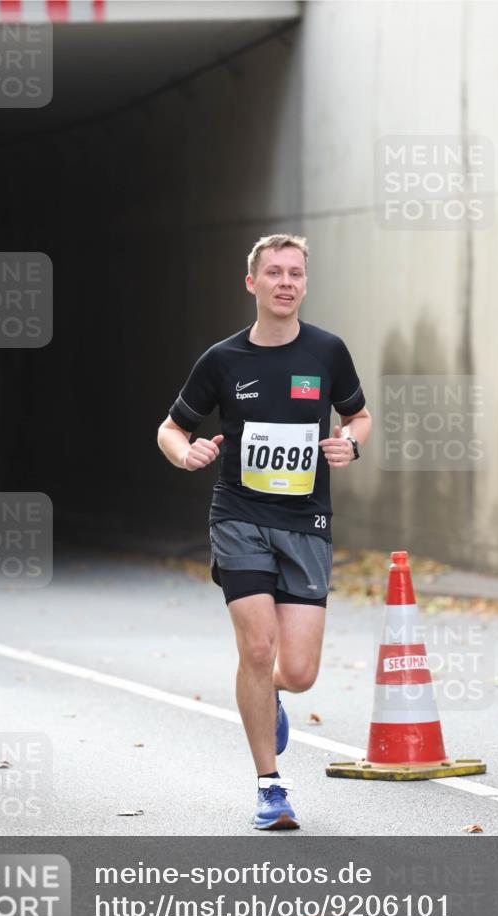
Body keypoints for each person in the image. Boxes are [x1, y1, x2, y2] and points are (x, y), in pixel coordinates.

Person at [157, 234, 372, 830]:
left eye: (295, 273)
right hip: (239, 516)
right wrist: (185, 455)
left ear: (305, 283)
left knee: (298, 671)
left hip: (306, 521)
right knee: (256, 647)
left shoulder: (328, 352)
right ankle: (269, 785)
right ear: (251, 283)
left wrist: (351, 442)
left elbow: (360, 413)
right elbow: (171, 428)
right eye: (273, 272)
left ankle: (270, 690)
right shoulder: (222, 360)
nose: (285, 282)